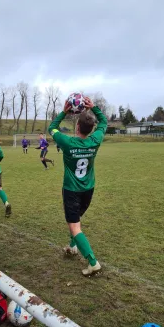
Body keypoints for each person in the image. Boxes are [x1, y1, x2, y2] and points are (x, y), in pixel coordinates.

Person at [48, 96, 107, 277]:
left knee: (75, 226)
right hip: (88, 189)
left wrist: (64, 112)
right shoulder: (95, 140)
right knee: (75, 220)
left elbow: (52, 128)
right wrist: (94, 108)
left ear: (77, 127)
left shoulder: (67, 143)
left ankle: (93, 262)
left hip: (72, 191)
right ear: (91, 129)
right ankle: (72, 247)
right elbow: (104, 122)